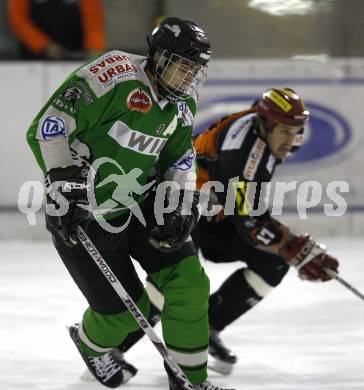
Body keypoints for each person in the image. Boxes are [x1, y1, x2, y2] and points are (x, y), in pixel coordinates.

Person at [27, 16, 236, 390]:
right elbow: (49, 124)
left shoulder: (183, 102)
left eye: (195, 70)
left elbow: (180, 156)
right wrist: (61, 178)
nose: (188, 78)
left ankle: (191, 382)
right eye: (181, 67)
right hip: (85, 213)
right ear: (157, 57)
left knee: (189, 283)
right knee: (124, 316)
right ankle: (90, 344)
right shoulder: (111, 76)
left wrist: (179, 195)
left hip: (140, 204)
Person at [110, 87, 340, 377]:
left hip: (215, 209)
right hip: (180, 207)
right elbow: (250, 223)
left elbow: (246, 211)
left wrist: (290, 248)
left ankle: (205, 328)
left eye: (296, 132)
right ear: (265, 123)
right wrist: (295, 247)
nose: (290, 140)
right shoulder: (245, 153)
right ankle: (110, 347)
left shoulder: (260, 132)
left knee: (272, 261)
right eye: (284, 131)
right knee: (171, 279)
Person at [8, 0, 105, 60]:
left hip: (75, 53)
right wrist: (43, 46)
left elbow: (93, 19)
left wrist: (94, 47)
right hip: (33, 57)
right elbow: (18, 20)